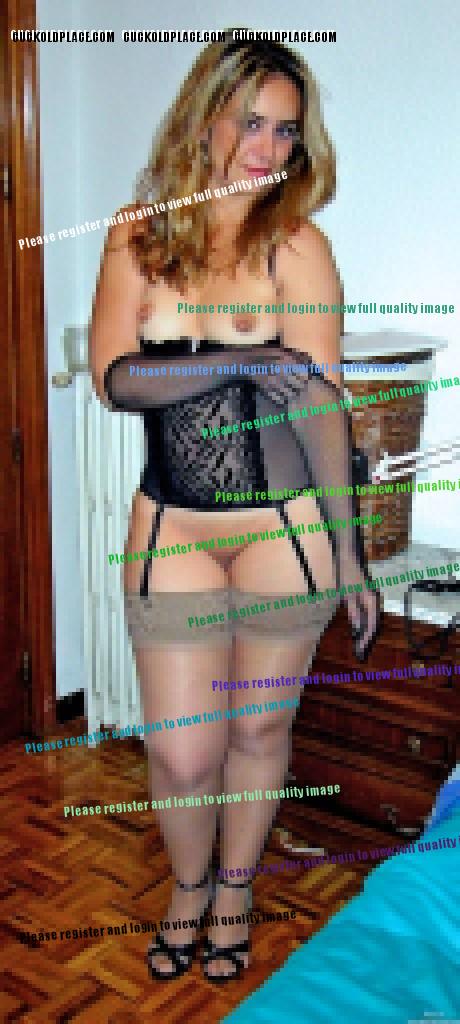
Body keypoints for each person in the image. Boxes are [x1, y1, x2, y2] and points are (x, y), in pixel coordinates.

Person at [89, 31, 379, 984]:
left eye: (285, 131)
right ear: (203, 117)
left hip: (283, 531)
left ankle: (235, 894)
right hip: (171, 527)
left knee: (258, 733)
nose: (267, 147)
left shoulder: (299, 247)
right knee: (182, 756)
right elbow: (117, 380)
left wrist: (350, 555)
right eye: (250, 122)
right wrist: (246, 357)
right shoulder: (139, 232)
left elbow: (322, 408)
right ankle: (187, 889)